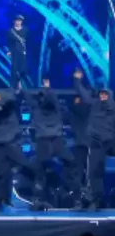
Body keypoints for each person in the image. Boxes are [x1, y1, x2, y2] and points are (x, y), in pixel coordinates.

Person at [24, 79, 79, 209]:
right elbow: (39, 99)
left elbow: (35, 99)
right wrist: (47, 89)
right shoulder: (43, 108)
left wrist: (25, 89)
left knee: (69, 163)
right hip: (46, 141)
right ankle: (39, 198)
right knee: (40, 168)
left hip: (54, 140)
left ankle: (71, 192)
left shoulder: (47, 107)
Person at [73, 70, 115, 209]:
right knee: (95, 171)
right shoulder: (95, 105)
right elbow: (85, 96)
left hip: (111, 141)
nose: (103, 96)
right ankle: (96, 197)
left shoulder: (113, 108)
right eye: (101, 94)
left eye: (105, 94)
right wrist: (77, 81)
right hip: (97, 143)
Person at [0, 89, 34, 212]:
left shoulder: (10, 108)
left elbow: (14, 100)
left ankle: (36, 192)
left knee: (24, 167)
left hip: (11, 144)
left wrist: (19, 91)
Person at [7, 15, 29, 88]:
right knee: (15, 68)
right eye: (17, 20)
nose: (18, 22)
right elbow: (9, 42)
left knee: (23, 69)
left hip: (23, 51)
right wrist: (9, 51)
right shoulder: (10, 31)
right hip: (14, 51)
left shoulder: (25, 29)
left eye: (20, 21)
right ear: (14, 21)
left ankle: (20, 81)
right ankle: (16, 85)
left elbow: (28, 40)